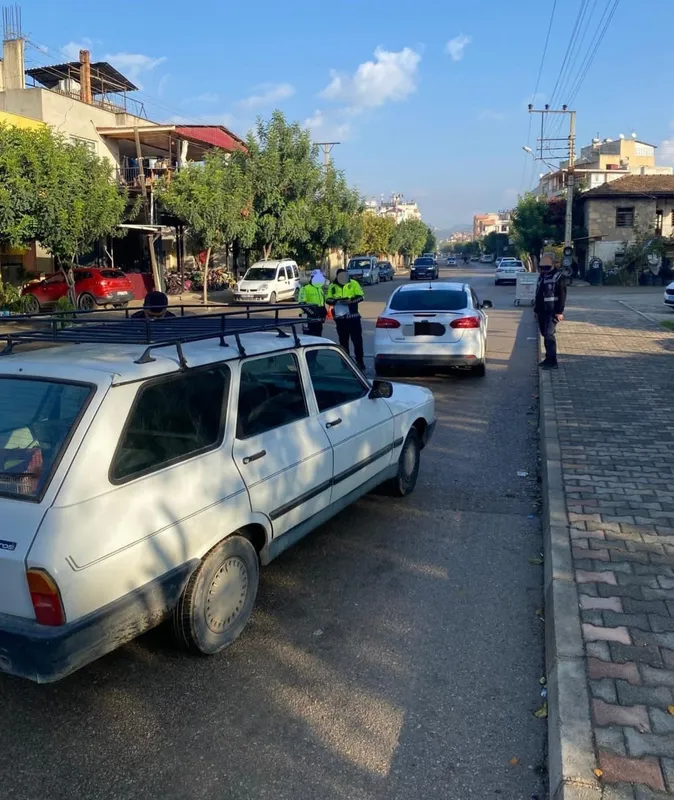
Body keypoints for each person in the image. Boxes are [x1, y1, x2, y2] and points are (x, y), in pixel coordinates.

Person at [326, 268, 365, 370]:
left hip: (353, 318)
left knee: (357, 341)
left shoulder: (353, 283)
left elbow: (361, 297)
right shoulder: (332, 286)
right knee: (343, 342)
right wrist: (336, 301)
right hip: (340, 319)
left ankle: (360, 362)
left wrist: (351, 301)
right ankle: (346, 363)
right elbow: (328, 300)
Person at [534, 253, 566, 370]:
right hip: (541, 311)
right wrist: (536, 310)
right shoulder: (542, 276)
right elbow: (538, 294)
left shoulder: (558, 276)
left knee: (549, 334)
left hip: (552, 311)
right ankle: (548, 359)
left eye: (547, 267)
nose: (544, 270)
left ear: (553, 265)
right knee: (544, 335)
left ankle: (553, 362)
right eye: (543, 267)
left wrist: (559, 312)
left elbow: (562, 295)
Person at [298, 270, 327, 336]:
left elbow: (321, 303)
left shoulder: (320, 289)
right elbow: (302, 303)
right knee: (308, 338)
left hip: (318, 318)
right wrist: (313, 313)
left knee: (318, 337)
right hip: (308, 317)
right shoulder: (305, 288)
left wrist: (323, 313)